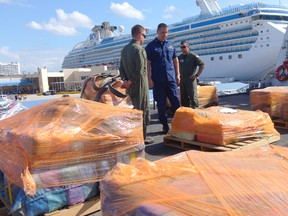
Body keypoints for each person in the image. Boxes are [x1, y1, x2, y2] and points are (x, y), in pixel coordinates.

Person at [119, 24, 154, 145]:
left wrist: (125, 81)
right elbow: (141, 71)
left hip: (129, 87)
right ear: (139, 35)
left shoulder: (124, 49)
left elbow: (121, 68)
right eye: (144, 35)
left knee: (131, 111)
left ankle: (132, 137)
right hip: (139, 85)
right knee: (142, 111)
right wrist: (132, 81)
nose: (144, 38)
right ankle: (141, 139)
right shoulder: (139, 49)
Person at [145, 23, 180, 134]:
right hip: (158, 80)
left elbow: (175, 60)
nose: (165, 34)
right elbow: (148, 63)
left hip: (171, 79)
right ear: (157, 32)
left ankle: (180, 123)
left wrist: (178, 74)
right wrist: (149, 79)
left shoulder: (170, 44)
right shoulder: (150, 46)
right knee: (161, 104)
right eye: (162, 32)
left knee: (175, 101)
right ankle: (165, 125)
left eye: (166, 32)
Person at [178, 41, 205, 108]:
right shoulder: (179, 57)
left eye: (184, 47)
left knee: (193, 98)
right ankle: (186, 114)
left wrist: (196, 75)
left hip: (191, 80)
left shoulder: (192, 56)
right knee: (184, 98)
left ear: (188, 47)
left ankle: (196, 113)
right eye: (181, 47)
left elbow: (202, 65)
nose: (182, 49)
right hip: (182, 80)